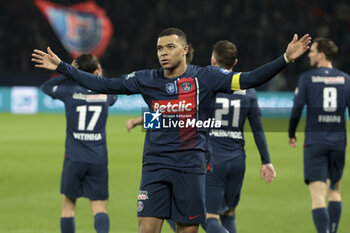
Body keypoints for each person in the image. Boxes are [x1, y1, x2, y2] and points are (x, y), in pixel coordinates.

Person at [32, 27, 310, 233]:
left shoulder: (208, 78)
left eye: (169, 47)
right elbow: (104, 86)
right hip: (155, 166)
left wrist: (285, 58)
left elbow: (250, 79)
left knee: (186, 230)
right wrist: (62, 67)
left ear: (184, 50)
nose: (163, 53)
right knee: (146, 229)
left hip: (190, 167)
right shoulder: (146, 80)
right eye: (159, 49)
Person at [203, 40, 276, 233]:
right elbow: (257, 128)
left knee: (210, 218)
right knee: (229, 214)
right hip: (237, 162)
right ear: (234, 62)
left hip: (213, 160)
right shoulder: (249, 91)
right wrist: (266, 160)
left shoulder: (207, 87)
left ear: (213, 60)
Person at [40, 53, 117, 233]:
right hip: (98, 159)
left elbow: (46, 87)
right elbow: (113, 96)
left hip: (74, 157)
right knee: (99, 208)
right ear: (97, 70)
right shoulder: (106, 94)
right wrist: (96, 76)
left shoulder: (69, 91)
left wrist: (68, 72)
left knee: (68, 208)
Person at [288, 37, 350, 233]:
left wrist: (291, 133)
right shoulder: (346, 79)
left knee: (317, 195)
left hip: (315, 143)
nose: (310, 55)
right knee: (335, 191)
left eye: (313, 51)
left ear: (322, 55)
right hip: (338, 143)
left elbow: (297, 109)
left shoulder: (307, 78)